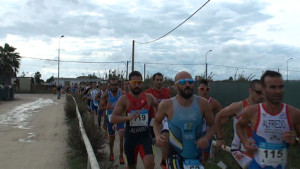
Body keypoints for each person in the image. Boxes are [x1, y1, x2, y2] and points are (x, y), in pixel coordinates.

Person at [236, 70, 300, 169]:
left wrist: (295, 141)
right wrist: (245, 142)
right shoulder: (252, 111)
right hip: (256, 166)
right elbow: (239, 125)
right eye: (273, 87)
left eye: (281, 87)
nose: (278, 91)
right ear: (264, 90)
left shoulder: (294, 113)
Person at [153, 71, 215, 169]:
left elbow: (213, 125)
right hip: (174, 155)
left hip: (196, 155)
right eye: (183, 82)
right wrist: (157, 136)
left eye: (190, 82)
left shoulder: (203, 103)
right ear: (175, 86)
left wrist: (206, 138)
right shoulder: (167, 104)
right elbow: (156, 122)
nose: (187, 85)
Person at [110, 71, 159, 169]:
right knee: (132, 165)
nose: (137, 85)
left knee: (150, 165)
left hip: (145, 137)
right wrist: (128, 117)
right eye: (134, 83)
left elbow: (156, 105)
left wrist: (157, 118)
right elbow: (112, 118)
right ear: (129, 84)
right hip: (130, 139)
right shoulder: (124, 99)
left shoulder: (148, 97)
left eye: (139, 83)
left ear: (142, 83)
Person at [215, 79, 264, 168]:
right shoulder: (239, 106)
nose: (262, 96)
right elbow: (218, 116)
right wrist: (219, 138)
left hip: (258, 150)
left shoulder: (263, 108)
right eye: (258, 92)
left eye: (264, 93)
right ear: (250, 90)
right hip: (240, 149)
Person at [145, 72, 170, 169]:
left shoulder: (167, 91)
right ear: (154, 81)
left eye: (161, 80)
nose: (159, 82)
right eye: (157, 80)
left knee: (165, 137)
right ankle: (152, 162)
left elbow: (169, 105)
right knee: (151, 143)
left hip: (164, 119)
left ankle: (163, 161)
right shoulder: (148, 92)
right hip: (152, 119)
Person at [99, 77, 125, 164]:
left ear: (118, 85)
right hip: (110, 119)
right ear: (109, 85)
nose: (114, 86)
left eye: (116, 85)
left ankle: (121, 156)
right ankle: (111, 153)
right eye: (112, 85)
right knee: (112, 139)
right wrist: (107, 107)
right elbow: (100, 107)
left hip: (120, 118)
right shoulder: (106, 95)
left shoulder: (122, 93)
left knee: (122, 136)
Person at [198, 79, 223, 165]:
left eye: (207, 89)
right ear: (198, 89)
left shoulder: (213, 102)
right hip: (194, 132)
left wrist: (216, 127)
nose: (204, 91)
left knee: (205, 156)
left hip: (206, 133)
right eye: (202, 89)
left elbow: (224, 117)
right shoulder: (193, 101)